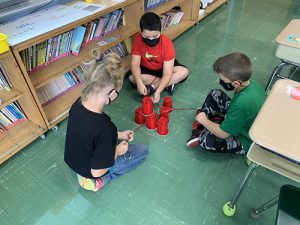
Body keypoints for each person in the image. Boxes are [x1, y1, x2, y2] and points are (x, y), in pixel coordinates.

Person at [64, 53, 148, 192]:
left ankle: (88, 174)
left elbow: (91, 132)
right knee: (142, 151)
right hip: (91, 172)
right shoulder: (105, 129)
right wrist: (117, 150)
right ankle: (101, 181)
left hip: (73, 159)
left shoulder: (77, 104)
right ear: (112, 92)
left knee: (109, 135)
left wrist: (119, 135)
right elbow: (97, 171)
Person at [186, 52, 266, 154]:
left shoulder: (241, 103)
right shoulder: (251, 84)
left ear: (236, 83)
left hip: (245, 138)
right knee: (215, 94)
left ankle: (203, 126)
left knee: (206, 141)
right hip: (242, 118)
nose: (220, 81)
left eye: (222, 80)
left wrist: (203, 120)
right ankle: (208, 125)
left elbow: (222, 134)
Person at [129, 12, 188, 103]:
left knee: (183, 72)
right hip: (147, 69)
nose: (151, 39)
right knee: (132, 78)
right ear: (141, 32)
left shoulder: (167, 44)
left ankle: (154, 85)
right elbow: (135, 64)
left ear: (161, 31)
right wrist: (139, 83)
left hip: (164, 68)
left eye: (155, 36)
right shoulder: (137, 39)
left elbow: (167, 73)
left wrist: (158, 91)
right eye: (146, 36)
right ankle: (169, 84)